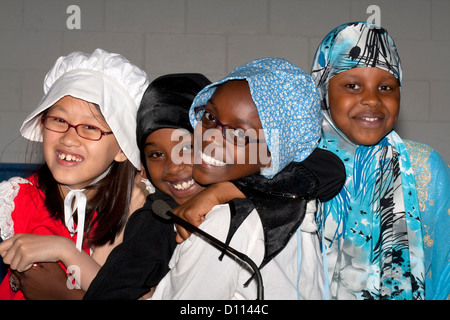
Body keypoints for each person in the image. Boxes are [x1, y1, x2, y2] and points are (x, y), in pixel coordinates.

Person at [151, 58, 346, 300]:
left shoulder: (225, 225)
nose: (210, 137)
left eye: (238, 133)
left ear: (273, 153)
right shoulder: (295, 207)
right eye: (210, 116)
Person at [310, 22, 449, 300]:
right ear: (323, 89)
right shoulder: (296, 166)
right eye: (352, 85)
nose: (372, 100)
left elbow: (445, 271)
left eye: (386, 87)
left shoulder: (424, 167)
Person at [0, 48, 149, 299]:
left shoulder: (140, 209)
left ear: (123, 149)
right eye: (59, 120)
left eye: (90, 127)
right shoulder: (15, 201)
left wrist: (64, 251)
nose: (69, 139)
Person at [82, 73, 218, 299]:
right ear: (143, 168)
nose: (173, 167)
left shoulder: (248, 194)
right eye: (156, 154)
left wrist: (224, 192)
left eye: (186, 148)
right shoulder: (157, 220)